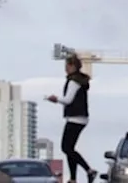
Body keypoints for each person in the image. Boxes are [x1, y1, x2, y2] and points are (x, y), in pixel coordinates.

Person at [47, 55, 96, 183]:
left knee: (66, 148)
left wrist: (55, 99)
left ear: (72, 66)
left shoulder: (74, 81)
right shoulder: (80, 80)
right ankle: (73, 178)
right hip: (80, 118)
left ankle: (89, 170)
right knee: (70, 148)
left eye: (67, 66)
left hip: (75, 118)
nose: (65, 69)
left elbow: (68, 100)